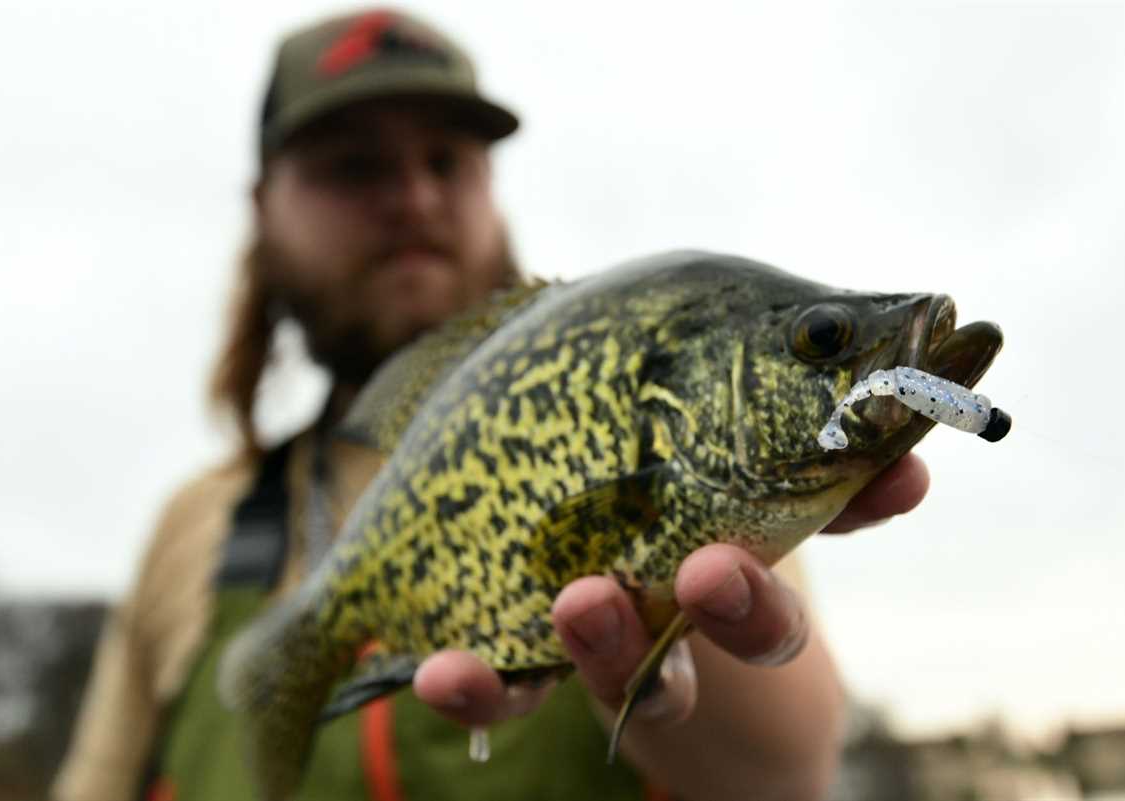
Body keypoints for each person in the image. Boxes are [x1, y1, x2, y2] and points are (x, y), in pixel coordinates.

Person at [53, 8, 930, 801]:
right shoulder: (193, 527)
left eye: (448, 161)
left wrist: (681, 652)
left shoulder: (706, 441)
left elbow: (787, 777)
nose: (415, 199)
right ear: (263, 206)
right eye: (354, 167)